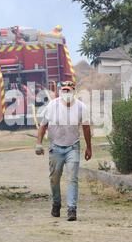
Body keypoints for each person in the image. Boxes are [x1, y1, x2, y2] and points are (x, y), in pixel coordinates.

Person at [35, 81, 92, 221]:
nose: (67, 93)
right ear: (61, 92)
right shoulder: (52, 106)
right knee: (54, 179)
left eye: (69, 90)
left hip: (73, 147)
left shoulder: (81, 107)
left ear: (74, 92)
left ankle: (72, 209)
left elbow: (86, 128)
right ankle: (56, 203)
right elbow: (43, 126)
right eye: (64, 90)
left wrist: (89, 147)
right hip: (56, 147)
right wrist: (39, 143)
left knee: (72, 178)